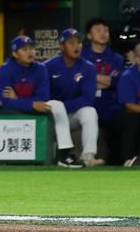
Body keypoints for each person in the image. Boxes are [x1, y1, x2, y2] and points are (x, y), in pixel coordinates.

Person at [0, 35, 83, 169]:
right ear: (15, 54)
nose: (30, 52)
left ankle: (64, 155)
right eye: (24, 49)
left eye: (31, 48)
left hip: (33, 109)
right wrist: (29, 103)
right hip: (12, 114)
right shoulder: (6, 69)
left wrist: (19, 99)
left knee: (57, 105)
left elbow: (43, 97)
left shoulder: (40, 68)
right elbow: (3, 102)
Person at [44, 29, 103, 167]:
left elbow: (88, 99)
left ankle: (88, 156)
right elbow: (44, 96)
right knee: (55, 104)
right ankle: (62, 154)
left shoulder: (88, 68)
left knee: (89, 111)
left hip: (71, 115)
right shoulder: (48, 66)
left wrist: (64, 108)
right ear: (61, 46)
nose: (76, 46)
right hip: (51, 118)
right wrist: (59, 109)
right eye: (71, 43)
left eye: (79, 42)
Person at [81, 18, 125, 126]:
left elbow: (117, 82)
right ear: (89, 35)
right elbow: (79, 81)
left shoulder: (117, 58)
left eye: (106, 30)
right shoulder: (80, 57)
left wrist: (91, 77)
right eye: (98, 30)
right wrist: (106, 80)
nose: (103, 34)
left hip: (111, 106)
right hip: (86, 105)